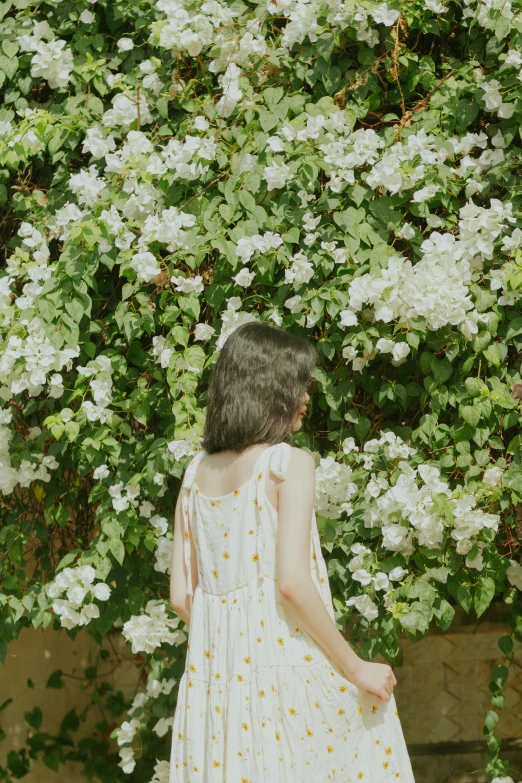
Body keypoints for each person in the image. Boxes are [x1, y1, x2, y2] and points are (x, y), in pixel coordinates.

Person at [169, 320, 415, 781]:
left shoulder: (194, 475)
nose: (306, 397)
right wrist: (355, 667)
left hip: (216, 695)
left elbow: (183, 598)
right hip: (283, 679)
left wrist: (235, 646)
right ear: (272, 387)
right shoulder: (287, 463)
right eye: (299, 385)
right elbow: (293, 582)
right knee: (371, 730)